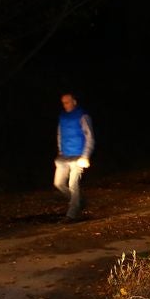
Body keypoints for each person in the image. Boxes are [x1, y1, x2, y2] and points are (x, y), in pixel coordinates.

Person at [54, 92, 94, 221]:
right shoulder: (62, 117)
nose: (65, 105)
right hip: (64, 156)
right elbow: (60, 135)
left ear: (74, 102)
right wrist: (60, 151)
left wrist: (85, 156)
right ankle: (78, 201)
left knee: (73, 184)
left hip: (78, 156)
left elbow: (90, 137)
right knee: (58, 183)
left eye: (68, 101)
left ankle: (71, 214)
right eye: (63, 102)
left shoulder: (82, 115)